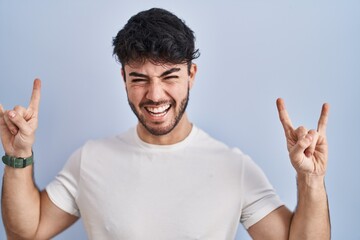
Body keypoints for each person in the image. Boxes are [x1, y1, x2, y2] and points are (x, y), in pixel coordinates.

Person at [0, 8, 330, 240]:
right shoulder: (91, 159)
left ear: (191, 75)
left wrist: (310, 180)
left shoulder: (234, 166)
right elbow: (26, 232)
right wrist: (19, 156)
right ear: (123, 79)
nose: (155, 95)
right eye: (139, 79)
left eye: (170, 76)